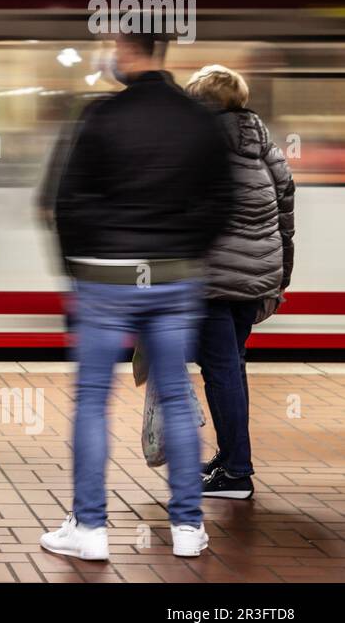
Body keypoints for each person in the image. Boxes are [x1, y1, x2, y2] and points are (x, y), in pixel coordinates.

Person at [43, 32, 233, 561]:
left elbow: (69, 200)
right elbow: (222, 201)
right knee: (174, 396)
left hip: (106, 278)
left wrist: (76, 273)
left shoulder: (102, 115)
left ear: (130, 52)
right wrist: (188, 254)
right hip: (175, 276)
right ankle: (189, 528)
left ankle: (90, 528)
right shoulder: (197, 118)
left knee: (92, 401)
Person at [185, 64, 295, 501]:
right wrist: (278, 281)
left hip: (213, 280)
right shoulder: (266, 147)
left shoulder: (201, 149)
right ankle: (230, 457)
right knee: (232, 365)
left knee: (221, 371)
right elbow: (286, 219)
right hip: (254, 280)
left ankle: (236, 472)